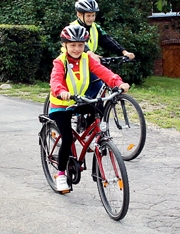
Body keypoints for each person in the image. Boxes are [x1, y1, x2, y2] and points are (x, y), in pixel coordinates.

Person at [48, 25, 130, 193]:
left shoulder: (87, 59)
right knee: (68, 139)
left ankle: (95, 139)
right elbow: (55, 80)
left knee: (97, 109)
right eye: (72, 45)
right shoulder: (60, 62)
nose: (77, 49)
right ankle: (61, 174)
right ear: (64, 46)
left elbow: (103, 72)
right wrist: (61, 92)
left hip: (80, 101)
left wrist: (118, 82)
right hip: (61, 105)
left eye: (80, 45)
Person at [70, 0, 134, 98]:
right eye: (88, 16)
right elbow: (81, 44)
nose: (91, 18)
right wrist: (90, 53)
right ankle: (84, 112)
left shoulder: (95, 27)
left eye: (93, 15)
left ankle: (98, 113)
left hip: (90, 62)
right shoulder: (73, 28)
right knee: (96, 86)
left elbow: (107, 40)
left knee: (101, 86)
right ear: (79, 14)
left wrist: (124, 52)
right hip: (74, 63)